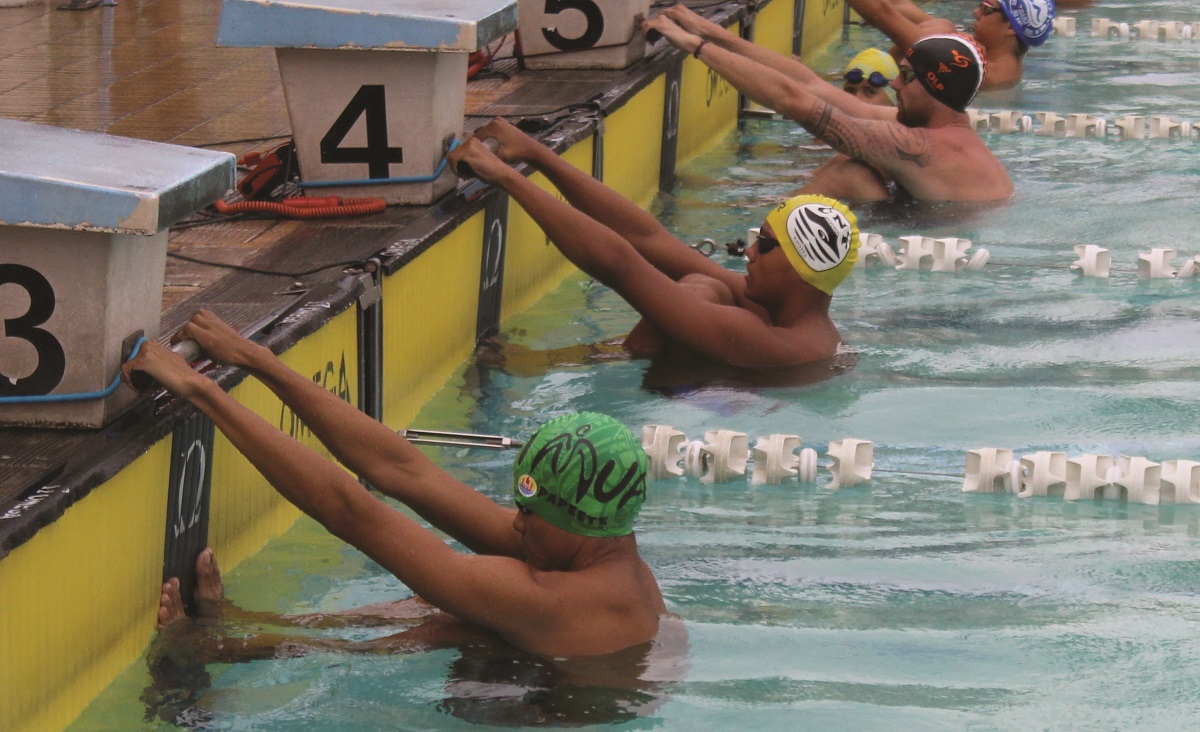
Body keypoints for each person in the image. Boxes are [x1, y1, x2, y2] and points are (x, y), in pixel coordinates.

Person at [124, 312, 671, 660]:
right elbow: (404, 470)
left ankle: (236, 645)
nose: (516, 519)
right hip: (540, 675)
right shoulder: (591, 546)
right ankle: (246, 630)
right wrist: (257, 361)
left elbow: (352, 513)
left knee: (453, 622)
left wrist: (203, 392)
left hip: (537, 713)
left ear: (578, 522)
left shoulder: (566, 601)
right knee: (446, 607)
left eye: (530, 510)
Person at [448, 118, 862, 368]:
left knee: (693, 294)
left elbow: (620, 266)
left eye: (766, 246)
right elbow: (648, 239)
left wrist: (506, 178)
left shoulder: (775, 343)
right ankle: (594, 355)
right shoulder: (789, 309)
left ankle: (579, 361)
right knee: (704, 285)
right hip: (703, 384)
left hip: (679, 422)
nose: (749, 252)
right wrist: (537, 154)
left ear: (801, 271)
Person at [645, 9, 1012, 203]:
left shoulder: (927, 148)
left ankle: (748, 227)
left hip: (946, 246)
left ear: (935, 86)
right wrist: (711, 32)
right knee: (853, 170)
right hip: (928, 222)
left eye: (905, 76)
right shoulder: (935, 123)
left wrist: (695, 49)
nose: (897, 84)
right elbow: (810, 84)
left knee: (849, 174)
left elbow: (793, 101)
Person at [845, 0, 1055, 91]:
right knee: (941, 25)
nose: (975, 12)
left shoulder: (977, 67)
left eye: (986, 8)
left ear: (1010, 27)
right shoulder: (985, 57)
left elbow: (881, 15)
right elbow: (901, 9)